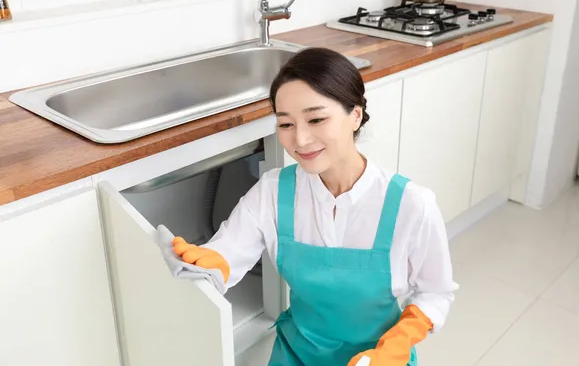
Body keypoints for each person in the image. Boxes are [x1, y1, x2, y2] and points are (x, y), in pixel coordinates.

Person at [171, 47, 457, 366]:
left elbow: (436, 292)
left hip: (379, 358)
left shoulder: (411, 204)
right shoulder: (274, 191)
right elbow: (229, 250)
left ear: (355, 115)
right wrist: (215, 262)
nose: (301, 140)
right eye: (286, 124)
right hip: (298, 353)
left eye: (316, 119)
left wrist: (401, 340)